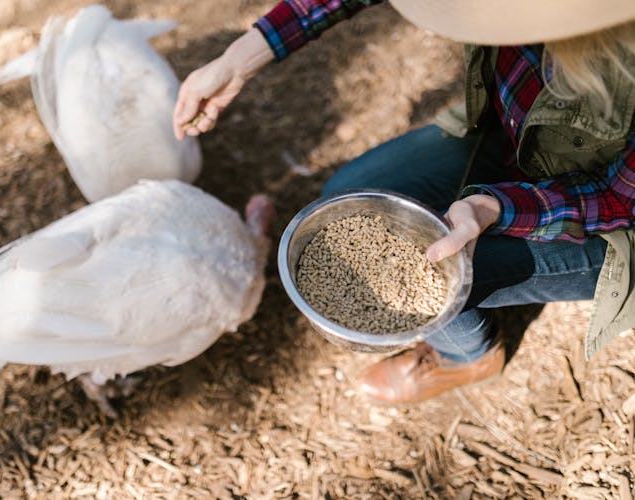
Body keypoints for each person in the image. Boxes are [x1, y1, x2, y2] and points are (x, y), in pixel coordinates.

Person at [172, 0, 635, 404]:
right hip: (513, 134)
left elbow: (617, 199)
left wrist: (494, 208)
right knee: (351, 195)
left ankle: (465, 358)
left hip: (610, 218)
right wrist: (241, 57)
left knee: (448, 275)